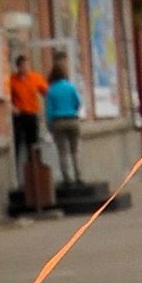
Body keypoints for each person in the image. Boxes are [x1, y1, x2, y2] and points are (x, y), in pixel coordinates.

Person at [43, 47, 84, 193]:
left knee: (62, 151)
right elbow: (78, 102)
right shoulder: (70, 87)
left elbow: (48, 110)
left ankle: (67, 178)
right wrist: (73, 110)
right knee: (75, 150)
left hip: (58, 121)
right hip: (72, 120)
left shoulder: (50, 90)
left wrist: (49, 126)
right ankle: (79, 176)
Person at [8, 50, 45, 193]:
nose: (25, 68)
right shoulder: (12, 80)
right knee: (17, 145)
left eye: (27, 66)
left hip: (32, 115)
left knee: (33, 146)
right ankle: (17, 178)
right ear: (18, 67)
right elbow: (6, 96)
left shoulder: (35, 78)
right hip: (19, 116)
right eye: (22, 66)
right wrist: (12, 107)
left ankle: (35, 176)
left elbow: (45, 91)